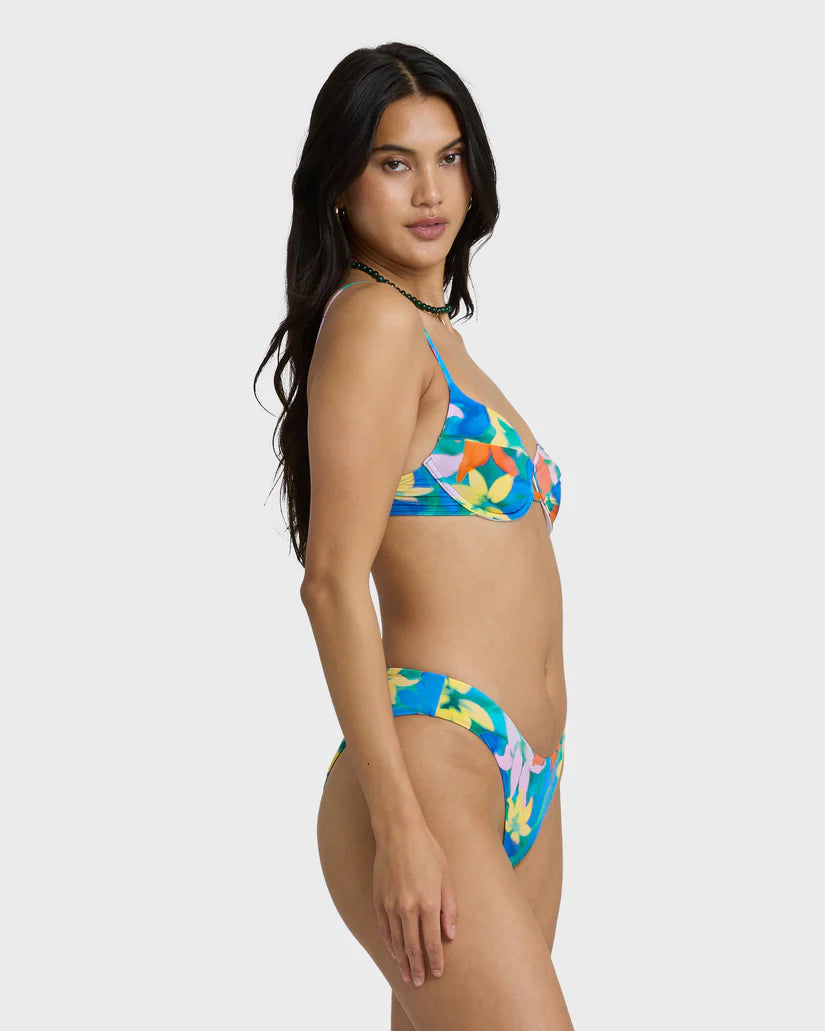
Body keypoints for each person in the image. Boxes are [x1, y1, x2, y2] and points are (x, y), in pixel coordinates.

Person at [254, 42, 573, 1031]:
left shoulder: (443, 341)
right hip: (433, 762)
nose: (430, 191)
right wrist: (398, 824)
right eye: (394, 162)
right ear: (340, 185)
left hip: (525, 774)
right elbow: (330, 581)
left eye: (450, 157)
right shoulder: (375, 325)